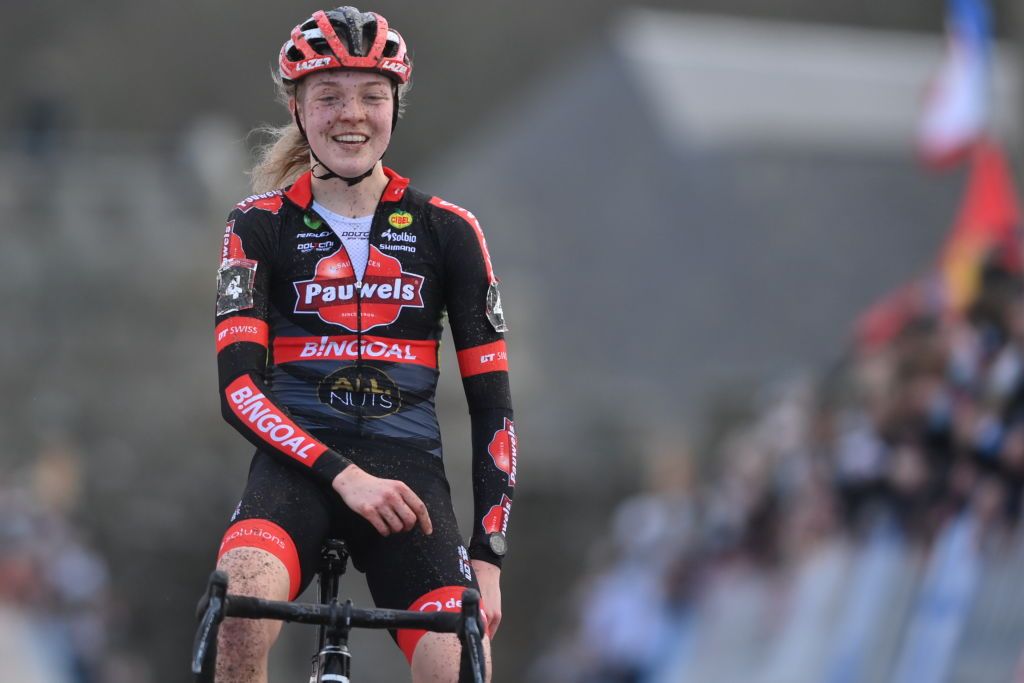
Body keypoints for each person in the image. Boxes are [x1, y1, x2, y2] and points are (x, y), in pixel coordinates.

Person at [210, 7, 518, 682]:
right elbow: (238, 389)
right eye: (329, 97)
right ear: (298, 110)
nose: (352, 115)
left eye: (371, 96)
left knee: (464, 658)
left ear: (395, 107)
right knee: (232, 615)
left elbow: (493, 408)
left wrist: (488, 558)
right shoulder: (256, 226)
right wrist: (342, 475)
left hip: (408, 480)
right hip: (296, 469)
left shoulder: (450, 230)